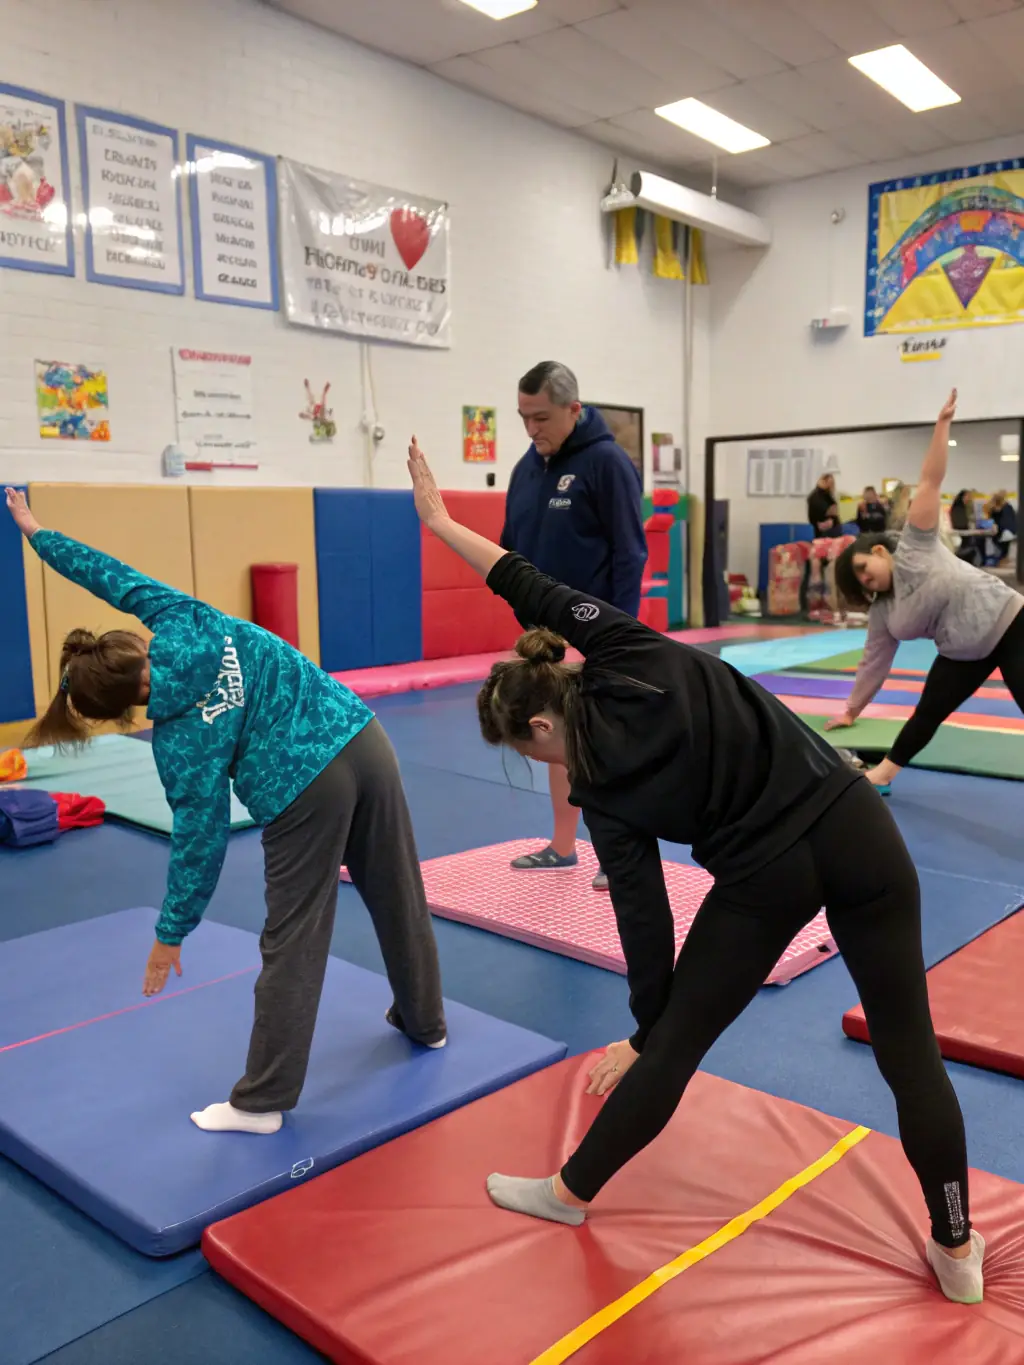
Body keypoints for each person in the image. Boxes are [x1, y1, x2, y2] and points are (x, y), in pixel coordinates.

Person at [405, 439, 985, 1305]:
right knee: (910, 1051)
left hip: (766, 875)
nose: (546, 768)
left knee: (677, 1045)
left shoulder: (602, 796)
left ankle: (568, 1194)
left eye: (531, 754)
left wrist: (648, 1031)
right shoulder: (622, 647)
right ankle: (956, 1243)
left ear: (535, 727)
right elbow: (524, 580)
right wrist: (445, 524)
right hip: (857, 826)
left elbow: (645, 923)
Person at [5, 488, 446, 1134]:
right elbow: (107, 573)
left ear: (118, 711)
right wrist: (37, 531)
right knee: (397, 893)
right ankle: (426, 1022)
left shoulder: (179, 742)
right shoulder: (184, 617)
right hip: (362, 735)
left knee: (293, 937)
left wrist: (169, 935)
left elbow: (200, 840)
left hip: (305, 787)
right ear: (129, 648)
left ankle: (262, 1102)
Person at [829, 391, 1024, 794]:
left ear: (879, 551)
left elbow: (931, 480)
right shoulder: (884, 612)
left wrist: (942, 426)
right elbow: (873, 664)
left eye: (865, 569)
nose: (868, 581)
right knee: (928, 710)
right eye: (860, 583)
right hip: (963, 650)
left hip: (1011, 624)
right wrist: (852, 710)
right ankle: (883, 773)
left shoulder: (915, 546)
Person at [499, 361, 646, 891]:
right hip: (545, 635)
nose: (531, 428)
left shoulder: (607, 463)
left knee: (604, 744)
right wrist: (527, 624)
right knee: (556, 741)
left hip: (598, 633)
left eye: (541, 417)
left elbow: (630, 552)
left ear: (573, 409)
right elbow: (510, 549)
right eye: (523, 417)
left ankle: (616, 853)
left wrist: (618, 636)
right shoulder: (525, 469)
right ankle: (564, 846)